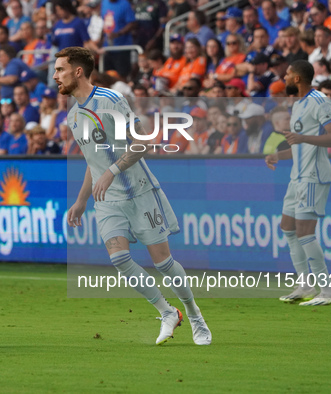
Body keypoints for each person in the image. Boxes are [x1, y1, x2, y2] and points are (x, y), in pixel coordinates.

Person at [56, 46, 211, 345]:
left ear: (78, 71)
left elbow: (143, 142)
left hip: (138, 191)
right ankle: (167, 312)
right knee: (120, 258)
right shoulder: (73, 116)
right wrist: (81, 200)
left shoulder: (111, 100)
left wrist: (112, 170)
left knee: (163, 262)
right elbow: (93, 163)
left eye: (60, 69)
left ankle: (194, 315)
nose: (55, 75)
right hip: (107, 201)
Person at [265, 60, 331, 306]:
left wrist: (302, 137)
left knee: (305, 232)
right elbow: (301, 145)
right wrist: (279, 155)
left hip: (313, 176)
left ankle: (328, 290)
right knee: (287, 228)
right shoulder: (298, 104)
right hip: (297, 176)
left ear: (297, 79)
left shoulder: (320, 101)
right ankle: (305, 284)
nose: (285, 77)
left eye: (288, 74)